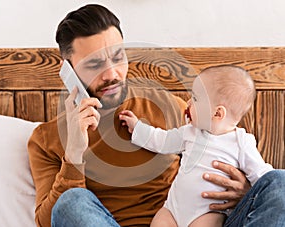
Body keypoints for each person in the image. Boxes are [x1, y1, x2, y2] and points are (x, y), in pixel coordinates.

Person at [27, 4, 285, 227]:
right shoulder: (46, 140)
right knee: (70, 202)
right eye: (95, 65)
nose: (112, 74)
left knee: (280, 182)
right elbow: (51, 220)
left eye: (118, 57)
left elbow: (220, 152)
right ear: (67, 70)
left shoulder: (167, 106)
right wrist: (73, 152)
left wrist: (245, 191)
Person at [119, 65, 274, 227]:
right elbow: (163, 141)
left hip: (207, 213)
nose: (188, 102)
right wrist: (138, 128)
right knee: (160, 222)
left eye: (195, 98)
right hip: (173, 209)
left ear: (217, 113)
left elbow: (262, 176)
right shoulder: (190, 132)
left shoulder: (241, 142)